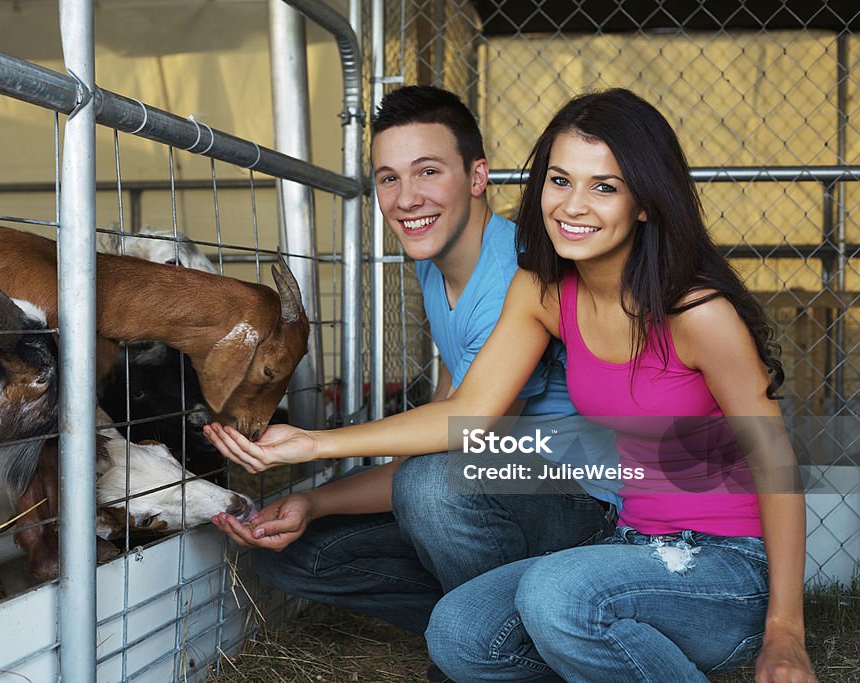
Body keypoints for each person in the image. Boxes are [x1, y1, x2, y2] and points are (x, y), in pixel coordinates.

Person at [206, 88, 815, 682]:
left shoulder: (697, 312)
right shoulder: (544, 292)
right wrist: (312, 444)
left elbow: (774, 460)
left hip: (721, 568)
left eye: (604, 187)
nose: (572, 206)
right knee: (456, 634)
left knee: (555, 593)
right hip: (630, 545)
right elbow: (470, 413)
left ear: (646, 203)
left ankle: (588, 625)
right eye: (559, 180)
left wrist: (785, 631)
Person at [209, 85, 620, 664]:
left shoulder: (512, 274)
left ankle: (510, 652)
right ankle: (489, 637)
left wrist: (310, 445)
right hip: (491, 500)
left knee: (430, 487)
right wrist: (315, 504)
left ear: (478, 176)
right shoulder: (437, 264)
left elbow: (463, 436)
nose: (406, 198)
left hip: (586, 512)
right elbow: (438, 441)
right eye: (388, 178)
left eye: (428, 171)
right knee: (294, 556)